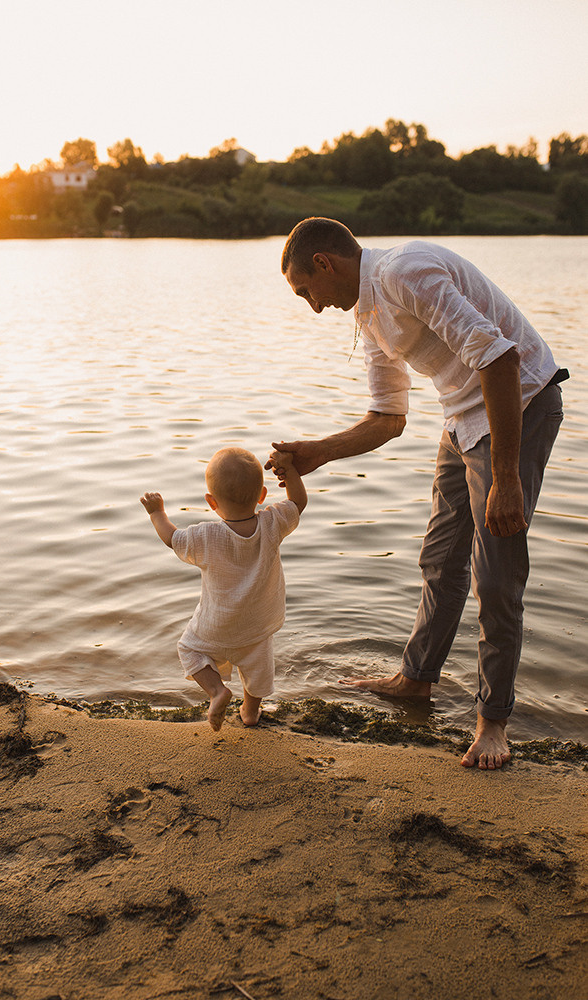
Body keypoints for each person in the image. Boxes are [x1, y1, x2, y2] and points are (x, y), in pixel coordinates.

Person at [268, 216, 566, 770]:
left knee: (496, 573)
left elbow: (501, 358)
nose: (313, 307)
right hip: (463, 418)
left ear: (324, 263)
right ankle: (416, 679)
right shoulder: (366, 310)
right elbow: (387, 418)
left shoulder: (405, 272)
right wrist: (319, 451)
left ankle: (493, 721)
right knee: (440, 557)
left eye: (307, 291)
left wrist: (505, 478)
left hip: (518, 405)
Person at [141, 446, 307, 731]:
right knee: (258, 671)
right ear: (262, 496)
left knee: (188, 650)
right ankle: (250, 712)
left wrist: (157, 513)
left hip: (215, 627)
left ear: (211, 501)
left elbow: (171, 538)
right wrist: (289, 471)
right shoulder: (273, 523)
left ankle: (217, 691)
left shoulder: (204, 536)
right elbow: (298, 502)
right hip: (257, 627)